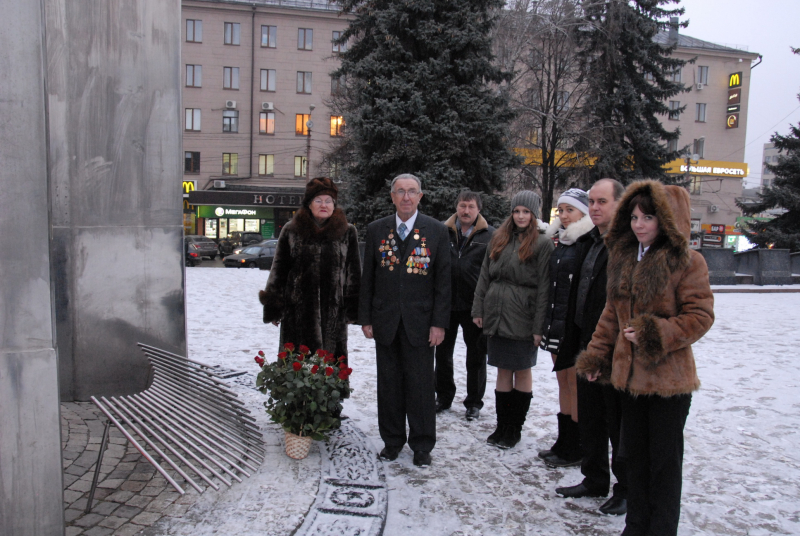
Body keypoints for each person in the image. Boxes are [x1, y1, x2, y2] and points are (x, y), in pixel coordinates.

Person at [577, 180, 714, 534]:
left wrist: (655, 332)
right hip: (629, 380)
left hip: (668, 383)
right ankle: (636, 526)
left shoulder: (687, 261)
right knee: (633, 458)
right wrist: (597, 356)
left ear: (666, 220)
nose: (639, 225)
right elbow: (611, 315)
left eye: (648, 217)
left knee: (663, 464)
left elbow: (700, 317)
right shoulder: (624, 257)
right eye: (635, 217)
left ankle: (661, 529)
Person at [358, 173, 451, 467]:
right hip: (385, 322)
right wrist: (365, 318)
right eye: (400, 191)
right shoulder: (377, 230)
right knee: (389, 385)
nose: (406, 197)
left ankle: (422, 444)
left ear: (420, 196)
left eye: (412, 191)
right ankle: (392, 440)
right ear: (392, 197)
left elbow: (443, 282)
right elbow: (368, 278)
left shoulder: (436, 231)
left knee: (421, 386)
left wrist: (439, 323)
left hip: (421, 324)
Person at [552, 178, 628, 516]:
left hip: (614, 349)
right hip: (585, 342)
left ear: (619, 204)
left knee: (617, 425)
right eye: (592, 202)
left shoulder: (626, 244)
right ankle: (594, 478)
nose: (595, 207)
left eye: (602, 202)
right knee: (592, 419)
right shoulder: (590, 241)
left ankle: (625, 488)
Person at [471, 191, 553, 449]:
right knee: (503, 369)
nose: (520, 216)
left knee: (522, 370)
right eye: (516, 211)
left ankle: (514, 428)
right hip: (497, 314)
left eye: (526, 212)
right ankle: (501, 425)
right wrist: (478, 309)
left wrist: (539, 327)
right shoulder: (499, 237)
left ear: (534, 214)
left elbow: (545, 288)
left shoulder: (543, 243)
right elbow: (484, 275)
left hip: (523, 316)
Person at [259, 177, 361, 357]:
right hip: (297, 312)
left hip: (333, 313)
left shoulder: (347, 232)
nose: (324, 205)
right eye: (318, 200)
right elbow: (279, 270)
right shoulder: (291, 230)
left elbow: (354, 273)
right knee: (297, 365)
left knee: (331, 365)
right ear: (309, 203)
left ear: (334, 204)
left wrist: (353, 308)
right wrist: (274, 307)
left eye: (328, 201)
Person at [538, 188, 594, 466]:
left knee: (574, 384)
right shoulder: (562, 241)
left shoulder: (587, 243)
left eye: (570, 210)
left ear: (584, 212)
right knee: (563, 381)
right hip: (556, 323)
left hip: (574, 327)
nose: (564, 215)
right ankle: (565, 440)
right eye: (561, 210)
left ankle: (578, 445)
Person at [434, 191, 495, 421]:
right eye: (462, 206)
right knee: (442, 354)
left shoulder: (490, 235)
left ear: (479, 209)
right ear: (456, 207)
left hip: (474, 305)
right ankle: (443, 396)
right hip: (446, 303)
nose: (466, 211)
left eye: (470, 206)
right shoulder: (443, 231)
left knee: (476, 356)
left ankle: (474, 402)